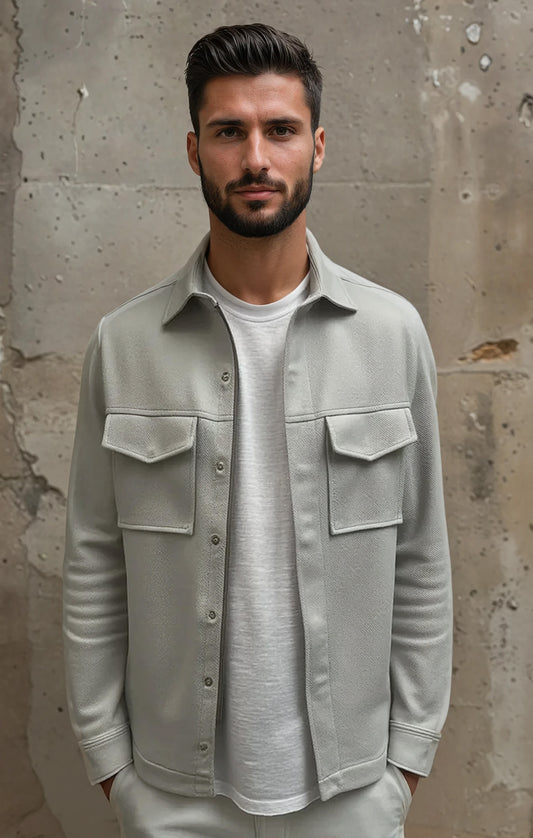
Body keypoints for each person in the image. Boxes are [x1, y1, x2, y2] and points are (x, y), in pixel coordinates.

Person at [63, 23, 453, 838]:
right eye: (227, 132)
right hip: (174, 797)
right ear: (193, 149)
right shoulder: (125, 343)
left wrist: (402, 768)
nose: (255, 159)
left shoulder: (391, 333)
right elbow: (94, 562)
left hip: (347, 796)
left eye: (278, 130)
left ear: (317, 146)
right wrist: (113, 771)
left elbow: (420, 558)